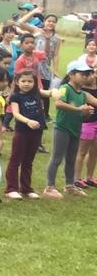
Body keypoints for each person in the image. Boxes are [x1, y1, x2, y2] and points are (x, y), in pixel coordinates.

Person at [42, 61, 97, 199]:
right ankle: (49, 187)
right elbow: (59, 103)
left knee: (71, 159)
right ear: (72, 74)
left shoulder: (83, 94)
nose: (86, 77)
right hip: (62, 128)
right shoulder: (65, 88)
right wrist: (79, 109)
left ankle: (69, 185)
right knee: (57, 158)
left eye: (88, 74)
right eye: (83, 74)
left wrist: (86, 112)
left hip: (75, 129)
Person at [4, 69, 49, 199]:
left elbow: (48, 93)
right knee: (15, 159)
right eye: (23, 81)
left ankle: (26, 188)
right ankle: (11, 188)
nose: (27, 84)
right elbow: (16, 114)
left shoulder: (37, 93)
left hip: (36, 132)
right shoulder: (16, 96)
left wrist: (55, 92)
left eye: (30, 81)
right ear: (17, 82)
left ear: (35, 83)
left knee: (28, 161)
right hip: (22, 132)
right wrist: (28, 121)